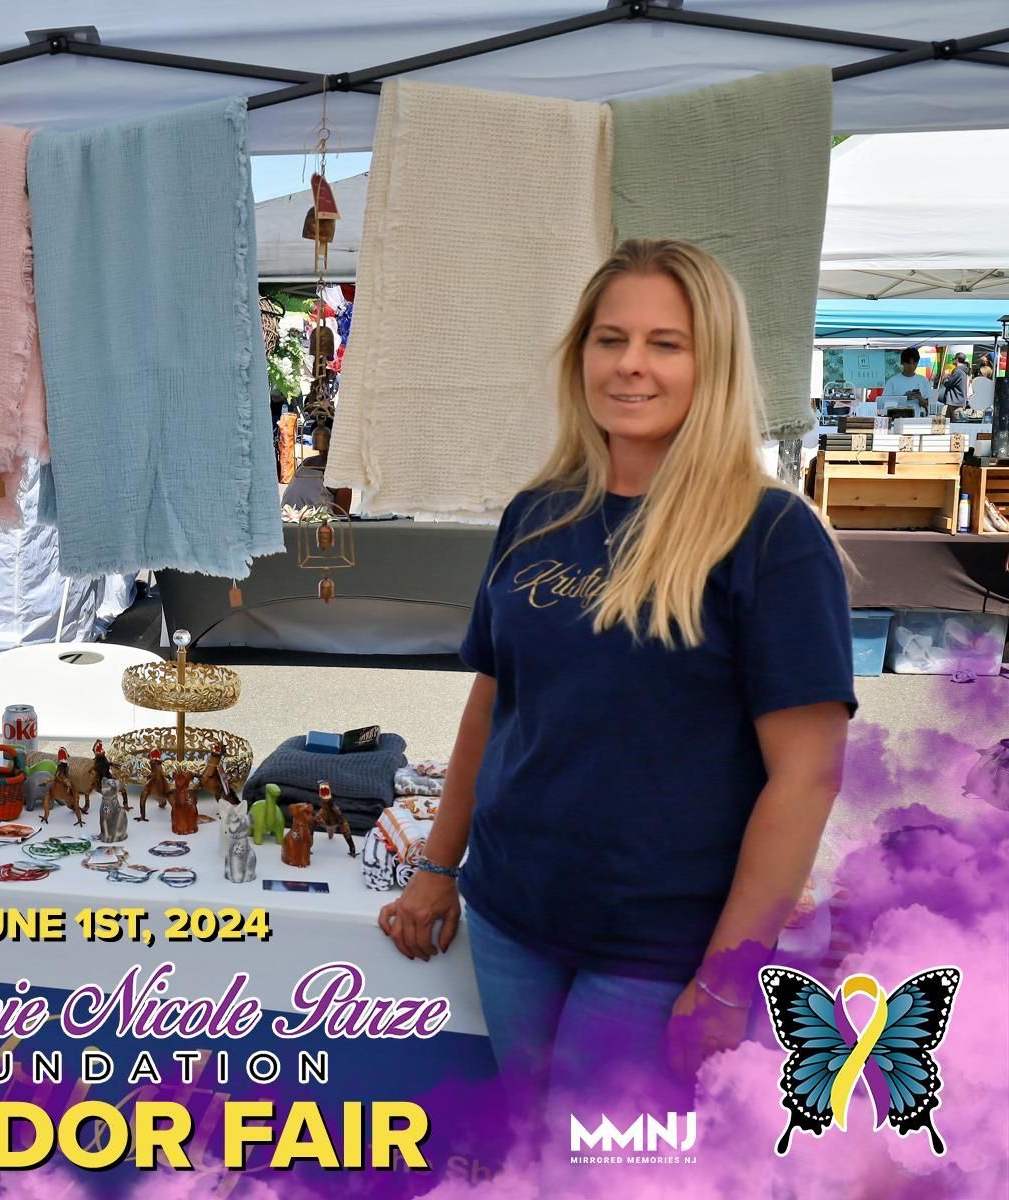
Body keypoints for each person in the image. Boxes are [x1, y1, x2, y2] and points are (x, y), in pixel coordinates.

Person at [377, 239, 853, 1135]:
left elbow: (807, 776)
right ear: (581, 356)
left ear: (714, 364)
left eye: (666, 343)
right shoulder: (537, 513)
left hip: (660, 951)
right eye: (611, 339)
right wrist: (438, 868)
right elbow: (494, 702)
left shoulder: (771, 535)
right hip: (512, 916)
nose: (631, 364)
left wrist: (730, 977)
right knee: (531, 1153)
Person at [880, 346, 930, 416]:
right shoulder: (892, 382)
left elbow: (926, 405)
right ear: (902, 362)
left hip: (916, 419)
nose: (912, 366)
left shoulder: (923, 380)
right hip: (896, 419)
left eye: (914, 363)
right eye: (908, 363)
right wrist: (904, 398)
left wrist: (920, 398)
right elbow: (884, 403)